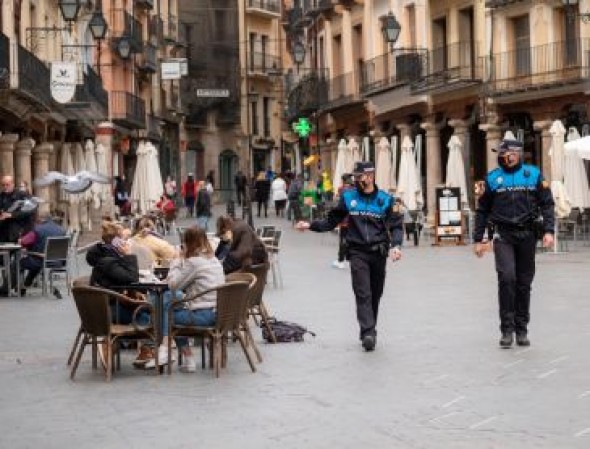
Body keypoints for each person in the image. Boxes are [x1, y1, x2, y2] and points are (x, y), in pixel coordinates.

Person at [296, 161, 403, 352]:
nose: (356, 180)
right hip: (357, 251)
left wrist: (396, 245)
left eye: (359, 176)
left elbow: (396, 225)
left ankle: (369, 330)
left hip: (379, 252)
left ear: (370, 177)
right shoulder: (348, 198)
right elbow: (331, 221)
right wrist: (310, 225)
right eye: (355, 177)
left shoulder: (385, 199)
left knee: (375, 294)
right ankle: (368, 332)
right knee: (363, 293)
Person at [474, 138, 555, 348]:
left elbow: (547, 204)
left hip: (527, 235)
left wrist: (549, 231)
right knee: (507, 278)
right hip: (503, 235)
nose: (500, 156)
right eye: (499, 153)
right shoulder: (492, 178)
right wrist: (479, 239)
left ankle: (522, 329)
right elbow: (482, 210)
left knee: (524, 283)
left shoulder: (533, 175)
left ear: (515, 153)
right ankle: (507, 330)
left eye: (503, 153)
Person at [146, 226, 225, 371]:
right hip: (219, 313)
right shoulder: (213, 259)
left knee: (168, 309)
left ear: (188, 242)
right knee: (169, 301)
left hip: (204, 316)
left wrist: (176, 260)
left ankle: (166, 350)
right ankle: (181, 356)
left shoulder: (194, 262)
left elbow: (173, 284)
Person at [6, 211, 66, 297]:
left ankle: (6, 289)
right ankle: (25, 286)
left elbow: (23, 241)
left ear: (40, 219)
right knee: (35, 263)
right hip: (58, 261)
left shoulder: (38, 230)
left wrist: (20, 240)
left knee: (18, 263)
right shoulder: (61, 230)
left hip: (41, 260)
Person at [0, 175, 33, 243]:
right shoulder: (1, 196)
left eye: (7, 185)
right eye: (3, 185)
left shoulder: (23, 195)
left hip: (19, 232)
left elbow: (30, 210)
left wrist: (11, 215)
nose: (5, 187)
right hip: (4, 233)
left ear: (13, 184)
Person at [332, 173, 354, 269]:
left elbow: (339, 202)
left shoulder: (342, 189)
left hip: (345, 218)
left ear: (343, 180)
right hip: (354, 218)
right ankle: (350, 258)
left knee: (343, 239)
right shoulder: (356, 189)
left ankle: (340, 260)